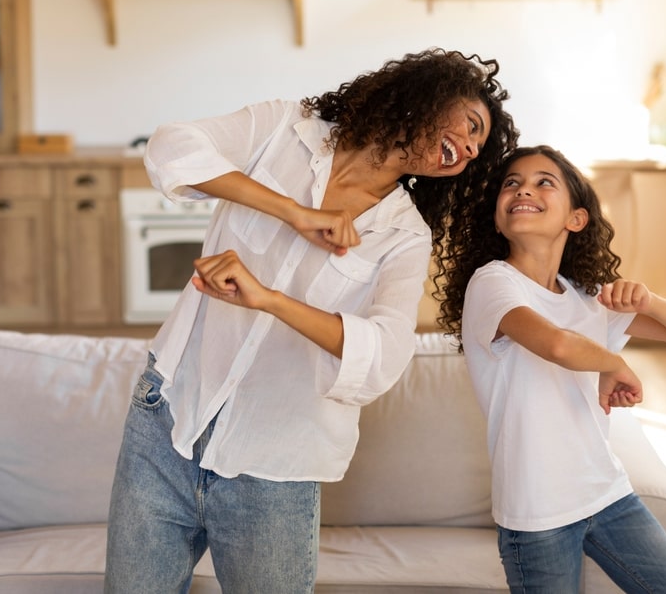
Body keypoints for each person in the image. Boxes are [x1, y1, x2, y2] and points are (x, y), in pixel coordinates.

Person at [103, 48, 519, 594]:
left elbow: (385, 355)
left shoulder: (404, 235)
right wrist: (294, 212)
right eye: (470, 126)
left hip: (277, 460)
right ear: (430, 95)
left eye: (475, 151)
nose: (466, 149)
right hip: (169, 417)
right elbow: (172, 147)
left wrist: (270, 299)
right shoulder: (286, 130)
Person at [440, 144, 666, 593]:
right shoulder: (493, 283)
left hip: (608, 496)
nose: (523, 188)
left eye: (543, 182)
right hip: (537, 517)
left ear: (576, 218)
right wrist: (613, 362)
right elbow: (557, 344)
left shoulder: (587, 297)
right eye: (512, 183)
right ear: (498, 216)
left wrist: (650, 301)